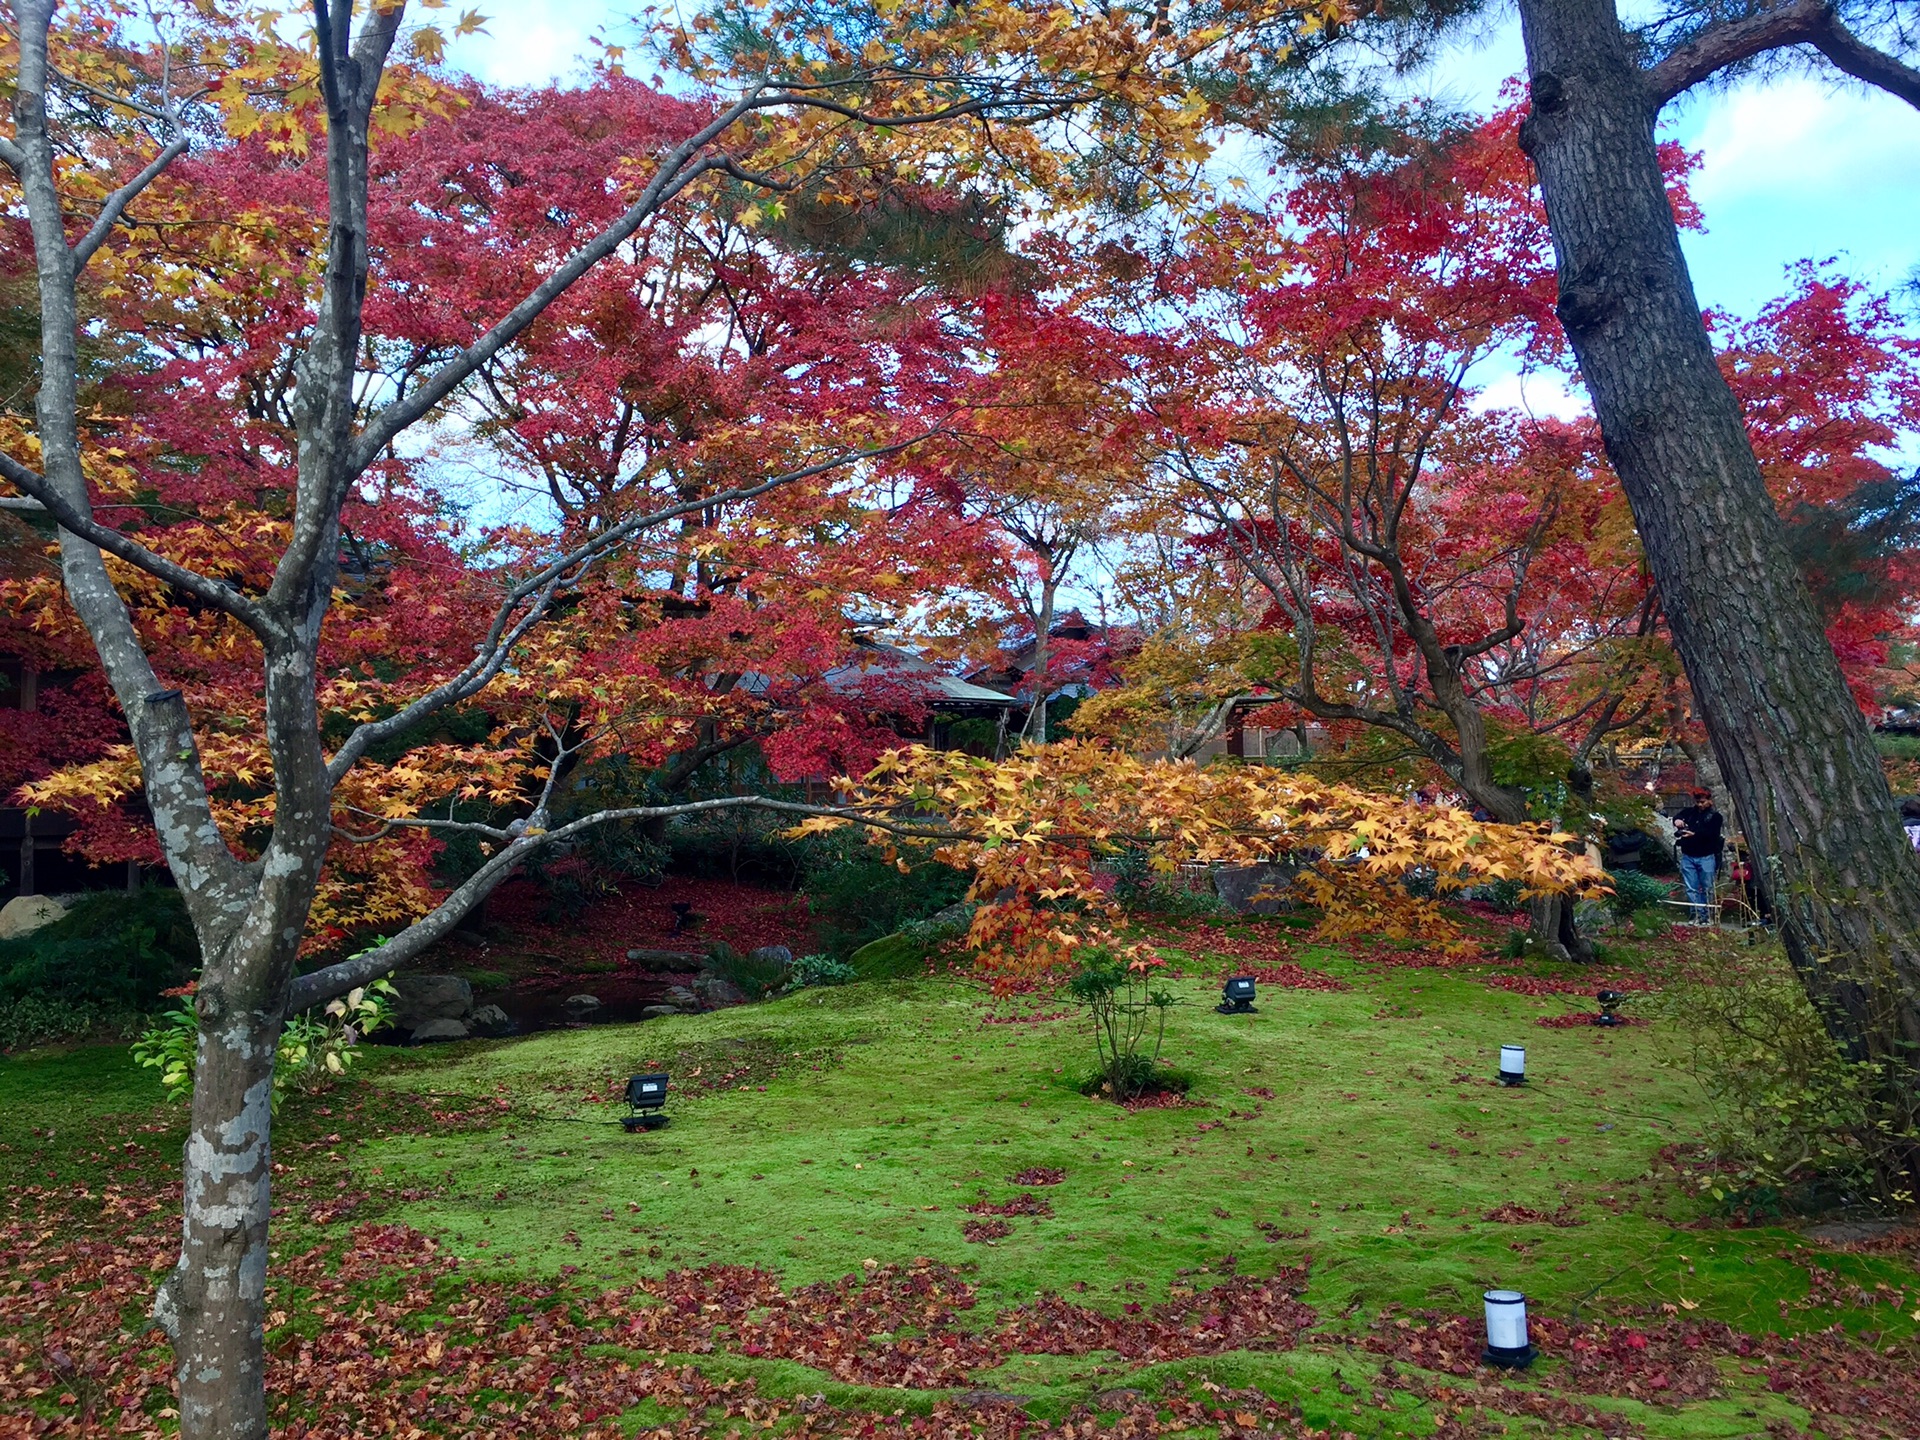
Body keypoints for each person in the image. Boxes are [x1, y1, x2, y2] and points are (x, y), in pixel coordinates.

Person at [1673, 788, 1724, 925]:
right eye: (1697, 802)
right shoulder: (1689, 813)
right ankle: (1695, 914)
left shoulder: (1715, 817)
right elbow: (1677, 817)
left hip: (1706, 856)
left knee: (1707, 887)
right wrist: (1678, 821)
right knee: (1691, 887)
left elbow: (1712, 835)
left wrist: (1694, 834)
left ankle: (1707, 915)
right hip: (1688, 855)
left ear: (1709, 801)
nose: (1700, 805)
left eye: (1702, 802)